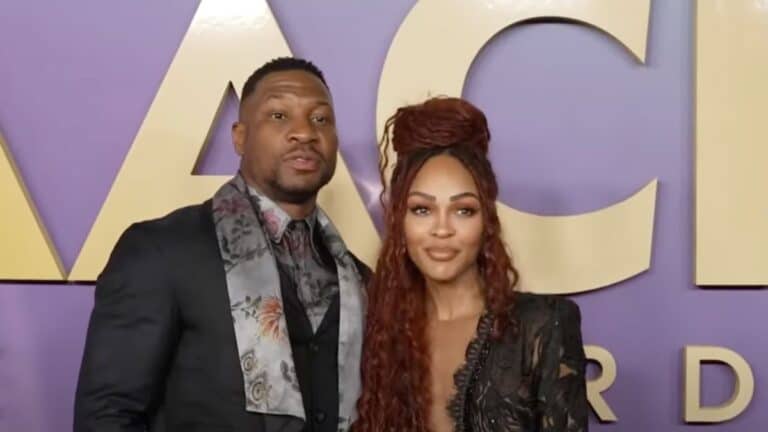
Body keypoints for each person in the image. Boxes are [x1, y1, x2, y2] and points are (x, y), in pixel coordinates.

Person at [74, 57, 369, 432]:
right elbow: (107, 416)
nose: (304, 133)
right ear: (240, 137)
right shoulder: (160, 251)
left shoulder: (358, 277)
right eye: (279, 116)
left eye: (320, 119)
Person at [354, 97, 588, 431]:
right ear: (399, 221)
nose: (442, 229)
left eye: (463, 210)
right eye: (422, 209)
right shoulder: (377, 332)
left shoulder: (543, 325)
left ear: (487, 221)